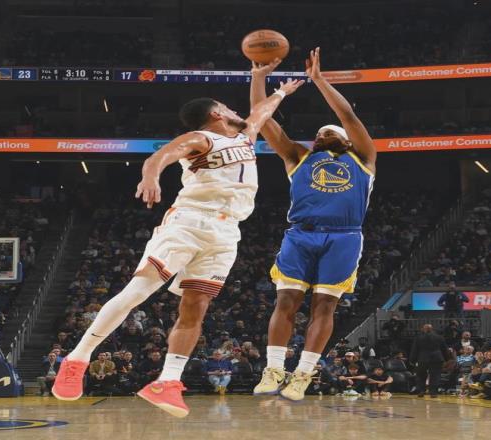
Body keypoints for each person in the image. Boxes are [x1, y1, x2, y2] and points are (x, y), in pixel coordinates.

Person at [52, 77, 303, 417]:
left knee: (196, 306)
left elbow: (261, 111)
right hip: (190, 221)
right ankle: (77, 359)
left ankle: (167, 381)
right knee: (138, 291)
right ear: (216, 113)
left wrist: (281, 91)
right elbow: (162, 155)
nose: (236, 110)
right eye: (227, 107)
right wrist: (150, 175)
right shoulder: (200, 138)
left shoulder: (245, 137)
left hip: (227, 232)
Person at [252, 48, 377, 401]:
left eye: (330, 131)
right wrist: (258, 79)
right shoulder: (298, 156)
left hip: (344, 237)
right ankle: (274, 369)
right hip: (300, 235)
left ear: (347, 140)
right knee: (286, 301)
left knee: (324, 306)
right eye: (320, 133)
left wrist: (319, 80)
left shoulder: (364, 157)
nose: (323, 133)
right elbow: (263, 120)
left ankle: (304, 374)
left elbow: (346, 114)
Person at [410, 324, 450, 397]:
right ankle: (433, 392)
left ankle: (421, 391)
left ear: (423, 329)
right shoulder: (439, 337)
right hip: (436, 358)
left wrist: (412, 360)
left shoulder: (418, 338)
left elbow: (415, 350)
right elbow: (444, 349)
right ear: (432, 329)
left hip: (422, 358)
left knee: (420, 375)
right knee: (435, 376)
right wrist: (447, 359)